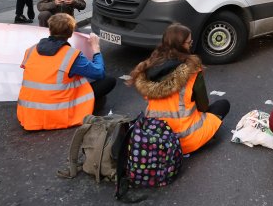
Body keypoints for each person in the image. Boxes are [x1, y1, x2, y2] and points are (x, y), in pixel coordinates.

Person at [129, 23, 229, 154]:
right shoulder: (191, 70)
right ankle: (205, 140)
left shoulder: (148, 68)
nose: (190, 45)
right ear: (180, 45)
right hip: (186, 140)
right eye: (189, 42)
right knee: (223, 104)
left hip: (157, 138)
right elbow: (203, 106)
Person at [17, 13, 117, 130]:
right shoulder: (70, 55)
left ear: (50, 30)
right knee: (109, 81)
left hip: (29, 115)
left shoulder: (31, 50)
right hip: (58, 113)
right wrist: (96, 49)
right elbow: (99, 73)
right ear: (70, 33)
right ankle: (88, 107)